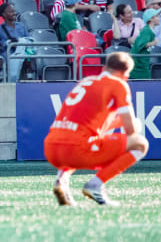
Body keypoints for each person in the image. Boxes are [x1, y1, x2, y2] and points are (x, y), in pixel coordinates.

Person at [44, 52, 149, 206]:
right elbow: (130, 130)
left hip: (51, 149)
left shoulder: (86, 81)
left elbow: (90, 126)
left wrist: (116, 123)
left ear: (104, 67)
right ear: (125, 75)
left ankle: (62, 180)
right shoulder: (118, 84)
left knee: (80, 137)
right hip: (77, 150)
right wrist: (135, 124)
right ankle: (95, 185)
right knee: (140, 143)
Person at [130, 9, 161, 80]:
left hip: (143, 64)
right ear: (151, 19)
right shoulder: (146, 30)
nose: (159, 18)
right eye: (157, 16)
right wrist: (154, 42)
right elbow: (141, 45)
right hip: (138, 65)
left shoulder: (149, 30)